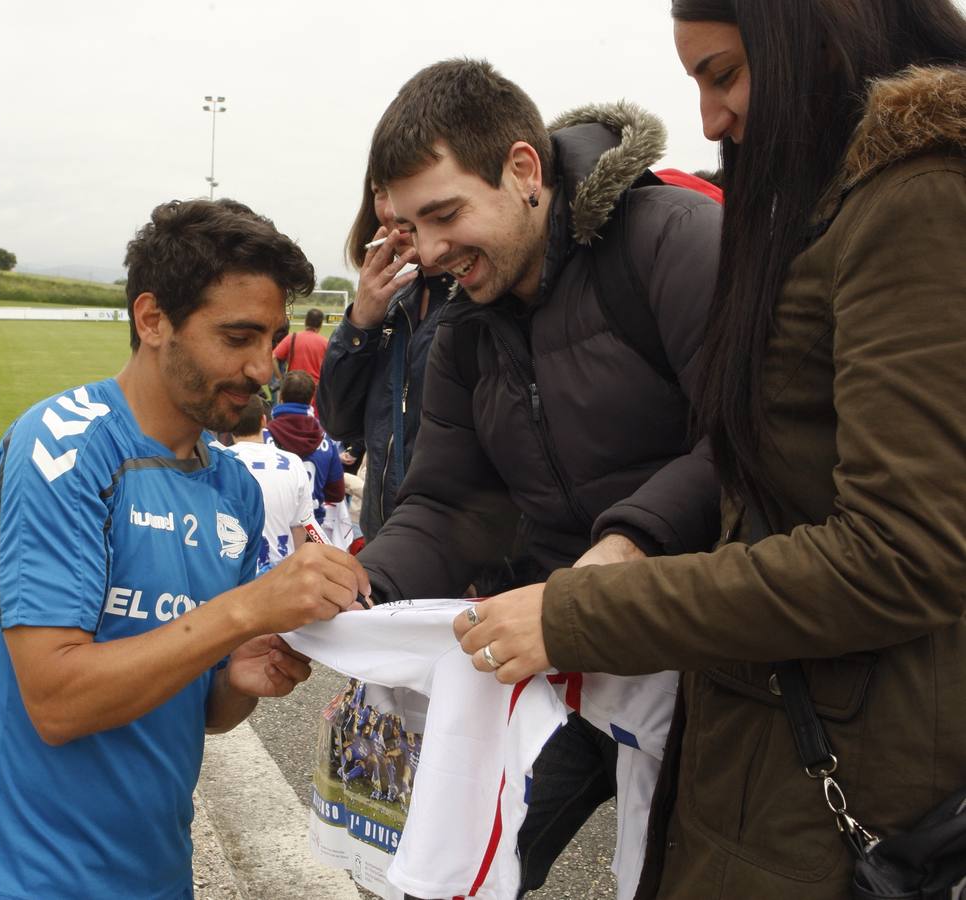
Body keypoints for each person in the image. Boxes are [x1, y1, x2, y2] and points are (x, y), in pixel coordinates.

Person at [452, 3, 966, 898]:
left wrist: (582, 613)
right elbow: (757, 469)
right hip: (768, 737)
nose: (709, 119)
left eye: (724, 74)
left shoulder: (920, 200)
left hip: (848, 768)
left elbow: (899, 555)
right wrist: (631, 544)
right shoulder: (825, 203)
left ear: (823, 37)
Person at [356, 59, 723, 894]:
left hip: (707, 649)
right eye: (412, 227)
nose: (433, 251)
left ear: (524, 171)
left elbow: (753, 438)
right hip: (558, 649)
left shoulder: (673, 241)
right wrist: (359, 585)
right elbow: (449, 504)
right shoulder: (463, 328)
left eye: (445, 214)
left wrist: (630, 545)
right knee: (451, 877)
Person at [0, 198, 371, 900]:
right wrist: (244, 611)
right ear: (152, 321)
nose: (264, 368)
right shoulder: (63, 446)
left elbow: (201, 709)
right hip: (31, 881)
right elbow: (57, 702)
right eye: (237, 337)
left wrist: (240, 679)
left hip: (160, 875)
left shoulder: (231, 485)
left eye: (272, 339)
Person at [317, 173, 459, 541]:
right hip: (389, 547)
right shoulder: (393, 307)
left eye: (405, 184)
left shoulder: (478, 304)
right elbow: (338, 421)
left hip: (460, 561)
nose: (392, 210)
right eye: (380, 191)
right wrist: (360, 322)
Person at [216, 396, 316, 573]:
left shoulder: (218, 461)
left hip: (235, 574)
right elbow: (300, 526)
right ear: (264, 420)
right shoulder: (293, 462)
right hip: (284, 572)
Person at [266, 370, 345, 527]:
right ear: (311, 400)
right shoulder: (326, 440)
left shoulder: (263, 436)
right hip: (312, 527)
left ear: (281, 397)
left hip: (274, 528)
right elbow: (336, 493)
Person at [273, 306, 328, 382]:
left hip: (293, 386)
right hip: (314, 388)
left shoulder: (292, 338)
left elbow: (273, 357)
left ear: (305, 321)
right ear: (321, 324)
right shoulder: (325, 343)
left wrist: (280, 378)